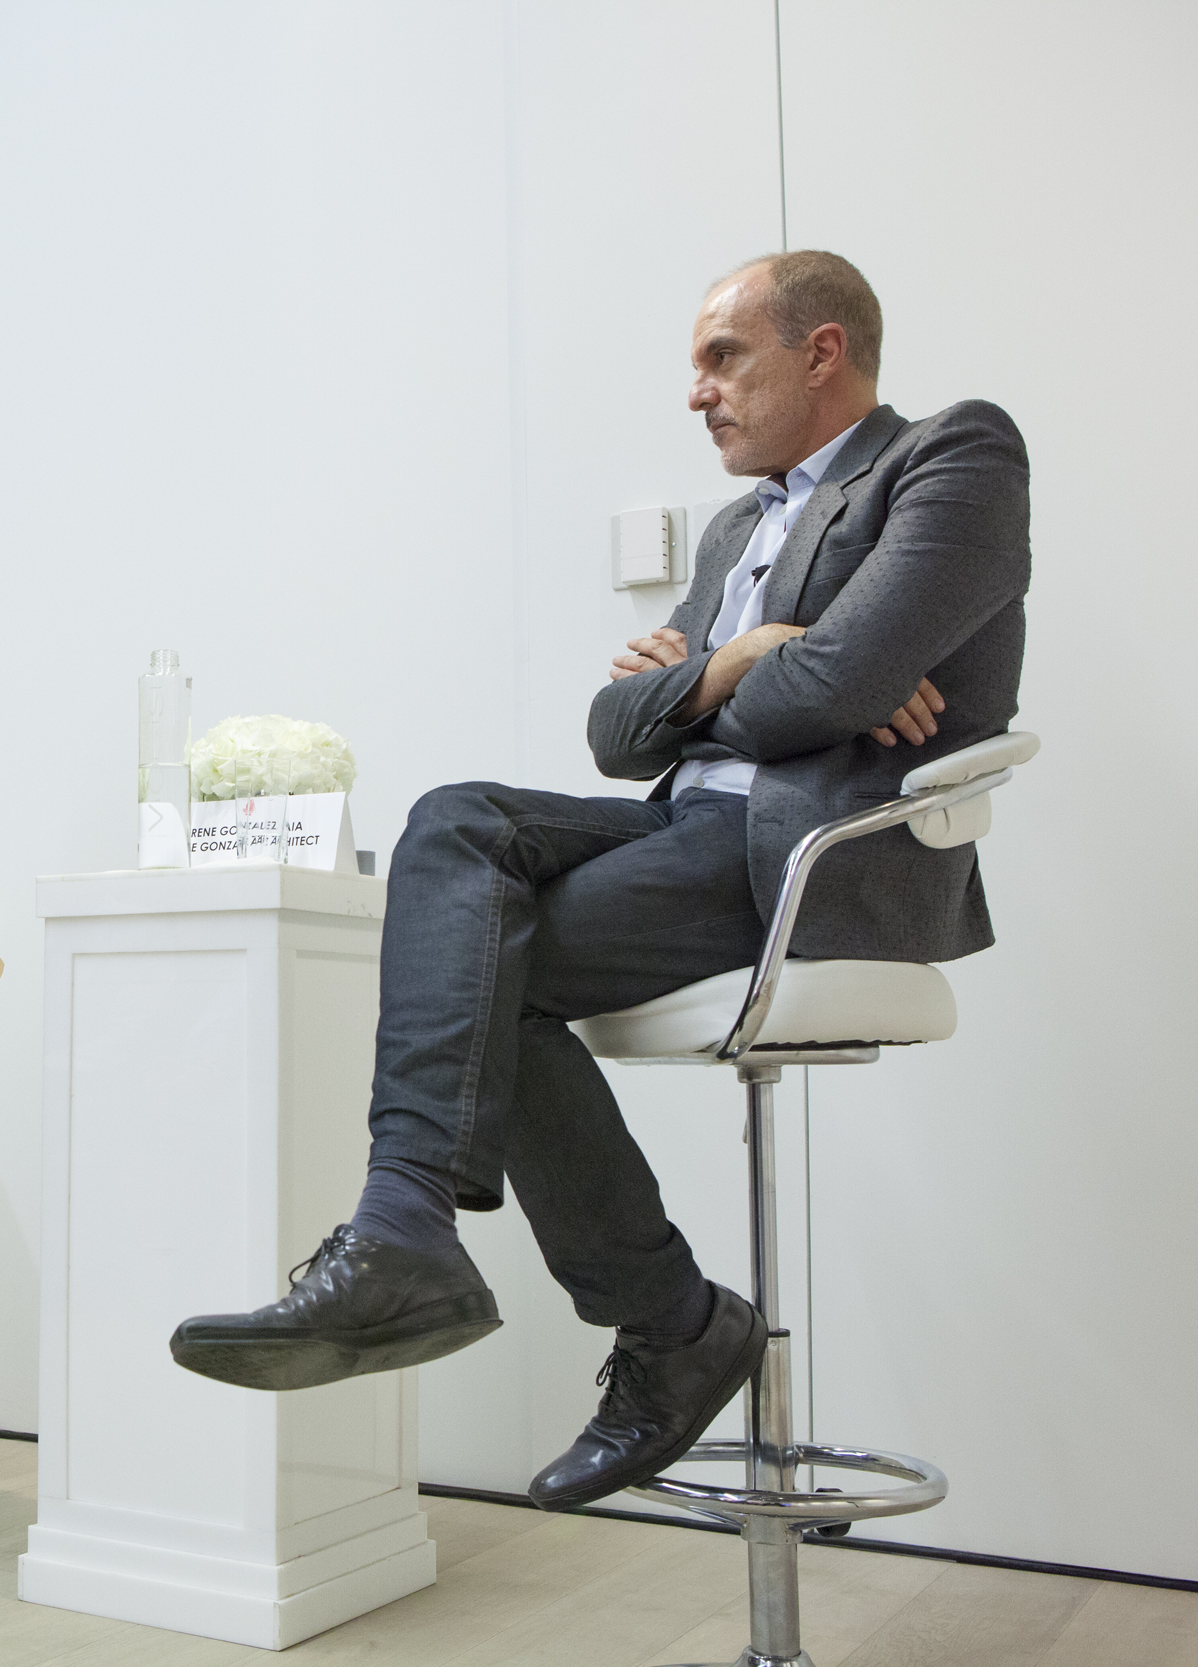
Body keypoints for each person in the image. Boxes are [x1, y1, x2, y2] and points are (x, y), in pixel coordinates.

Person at [170, 252, 1031, 1510]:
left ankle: (654, 1317)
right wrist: (746, 659)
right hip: (685, 825)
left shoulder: (951, 456)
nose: (696, 391)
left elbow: (832, 689)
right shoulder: (736, 528)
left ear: (822, 352)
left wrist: (743, 679)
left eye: (722, 357)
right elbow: (614, 734)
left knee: (481, 969)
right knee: (453, 822)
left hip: (811, 852)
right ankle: (412, 1226)